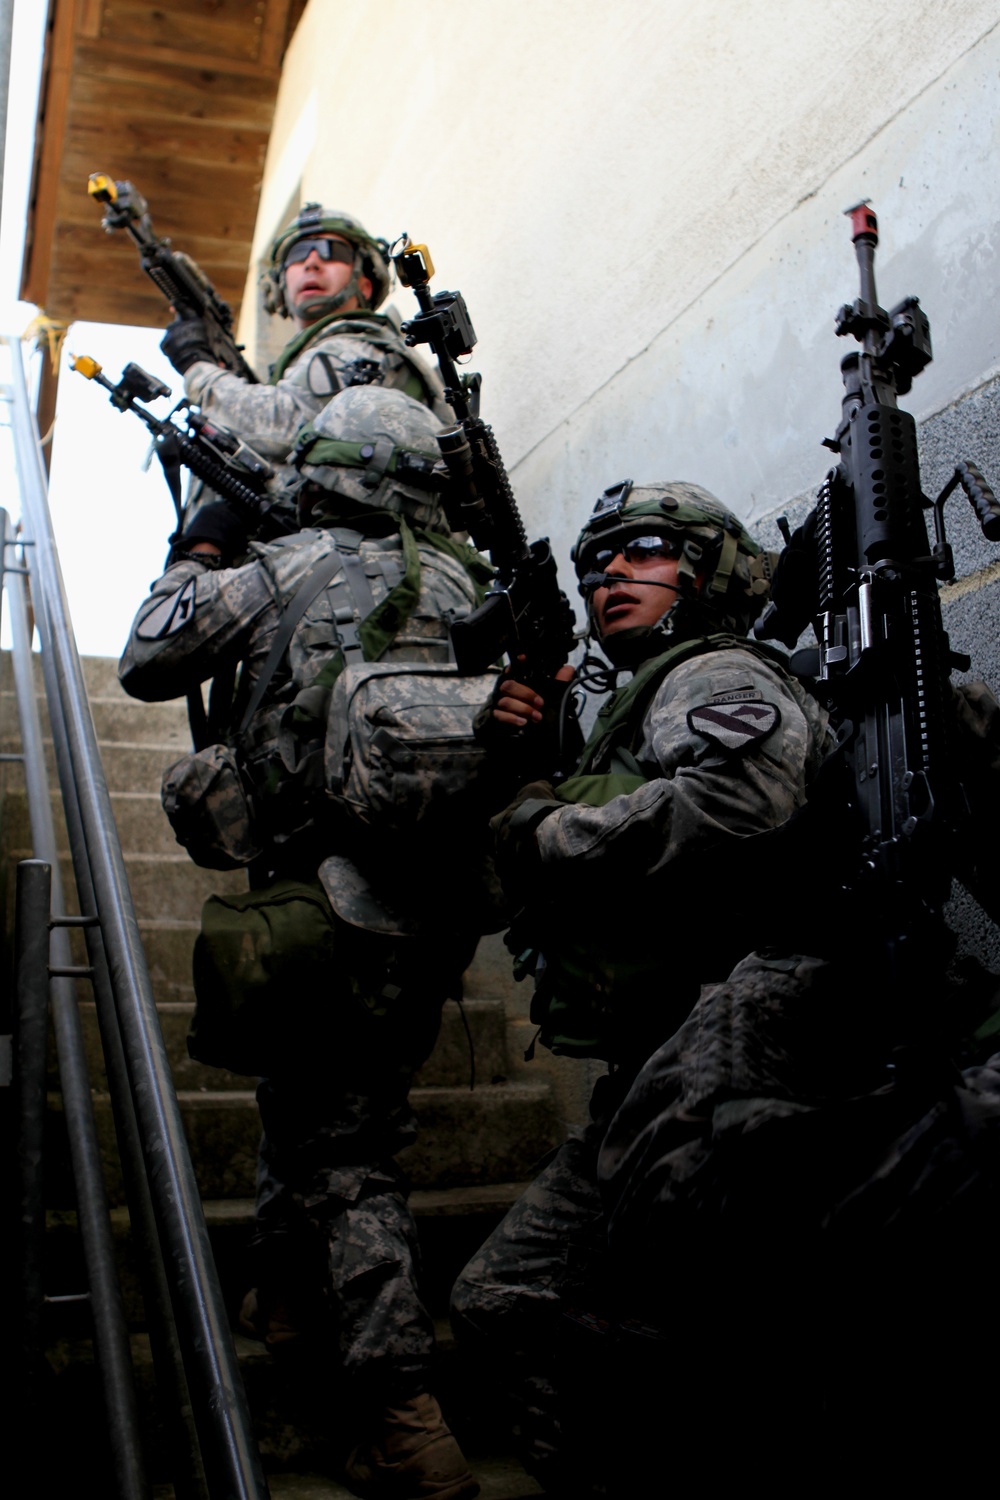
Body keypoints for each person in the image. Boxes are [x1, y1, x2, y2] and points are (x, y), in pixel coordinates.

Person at [120, 385, 493, 1500]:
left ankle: (402, 1414)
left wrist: (203, 537)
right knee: (325, 1103)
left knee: (347, 1156)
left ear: (325, 468)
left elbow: (148, 654)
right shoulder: (464, 579)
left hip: (312, 903)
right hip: (430, 907)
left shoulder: (285, 568)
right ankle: (284, 1301)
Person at [449, 478, 835, 1496]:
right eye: (598, 561)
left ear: (704, 569)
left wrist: (548, 828)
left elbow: (744, 800)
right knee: (500, 1298)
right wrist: (520, 771)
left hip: (741, 1054)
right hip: (651, 1074)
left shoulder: (705, 669)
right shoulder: (628, 703)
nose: (610, 572)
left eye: (646, 550)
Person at [159, 203, 448, 527]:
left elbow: (283, 426)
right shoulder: (307, 362)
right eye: (299, 254)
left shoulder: (359, 345)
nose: (312, 262)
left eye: (331, 250)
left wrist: (198, 367)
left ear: (364, 283)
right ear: (279, 286)